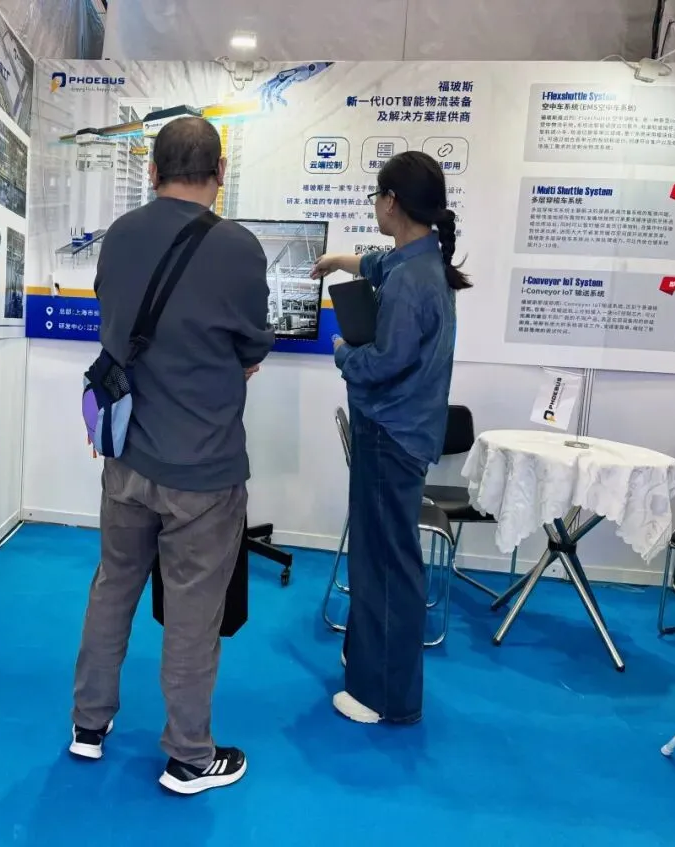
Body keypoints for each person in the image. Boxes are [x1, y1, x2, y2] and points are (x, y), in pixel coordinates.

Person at [69, 117, 274, 794]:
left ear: (152, 172)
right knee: (192, 612)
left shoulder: (121, 234)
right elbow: (252, 346)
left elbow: (115, 319)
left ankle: (88, 725)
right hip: (204, 467)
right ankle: (189, 755)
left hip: (126, 453)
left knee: (113, 585)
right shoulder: (238, 247)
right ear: (220, 173)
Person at [310, 150, 468, 725]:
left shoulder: (412, 281)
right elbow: (380, 264)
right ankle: (372, 665)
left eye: (377, 195)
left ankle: (383, 696)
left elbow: (384, 362)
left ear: (392, 202)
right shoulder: (421, 263)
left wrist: (342, 352)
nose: (375, 205)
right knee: (386, 555)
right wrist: (342, 260)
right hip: (404, 432)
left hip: (389, 433)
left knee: (384, 562)